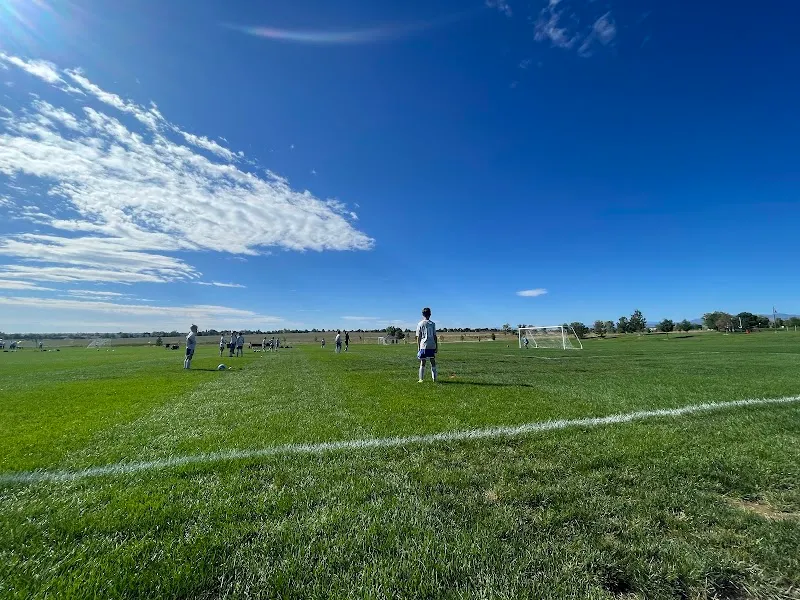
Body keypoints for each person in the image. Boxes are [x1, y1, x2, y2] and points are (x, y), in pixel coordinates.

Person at [416, 307, 438, 382]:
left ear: (422, 314)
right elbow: (435, 336)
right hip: (431, 344)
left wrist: (418, 347)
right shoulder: (433, 324)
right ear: (430, 314)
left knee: (423, 362)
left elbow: (418, 337)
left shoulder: (420, 324)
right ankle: (434, 379)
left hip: (423, 345)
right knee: (432, 361)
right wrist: (436, 346)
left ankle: (421, 379)